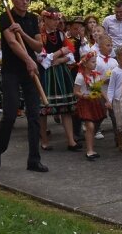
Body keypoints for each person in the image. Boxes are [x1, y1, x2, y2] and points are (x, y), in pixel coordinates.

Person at [0, 0, 47, 172]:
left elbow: (38, 46)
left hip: (29, 73)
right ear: (13, 0)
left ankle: (33, 159)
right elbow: (12, 43)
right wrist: (29, 60)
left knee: (34, 115)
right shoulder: (6, 17)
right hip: (11, 72)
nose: (25, 2)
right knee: (10, 113)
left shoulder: (31, 20)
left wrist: (23, 33)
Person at [38, 9, 81, 151]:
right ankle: (44, 140)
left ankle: (71, 141)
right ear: (46, 20)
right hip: (45, 74)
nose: (57, 22)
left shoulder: (61, 35)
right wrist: (61, 52)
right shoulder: (40, 36)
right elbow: (42, 59)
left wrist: (60, 58)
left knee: (66, 109)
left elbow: (71, 55)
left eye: (58, 20)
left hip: (61, 72)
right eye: (54, 19)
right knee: (43, 109)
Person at [74, 51, 107, 161]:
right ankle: (89, 151)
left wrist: (107, 100)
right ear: (85, 63)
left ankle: (90, 146)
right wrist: (84, 96)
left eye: (95, 62)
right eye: (93, 62)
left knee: (94, 126)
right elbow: (76, 92)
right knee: (90, 126)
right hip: (85, 103)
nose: (95, 64)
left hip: (95, 102)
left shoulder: (95, 75)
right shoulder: (80, 77)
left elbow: (99, 89)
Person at [107, 46, 122, 152]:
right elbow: (111, 87)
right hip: (118, 99)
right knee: (120, 124)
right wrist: (109, 100)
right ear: (118, 58)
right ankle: (121, 143)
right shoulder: (115, 72)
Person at [94, 35, 118, 140]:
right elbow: (94, 77)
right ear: (100, 47)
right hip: (101, 91)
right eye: (107, 45)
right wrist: (104, 79)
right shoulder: (96, 61)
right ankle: (93, 130)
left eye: (111, 45)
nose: (110, 47)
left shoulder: (114, 61)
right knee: (100, 114)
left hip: (112, 92)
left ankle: (119, 138)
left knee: (115, 115)